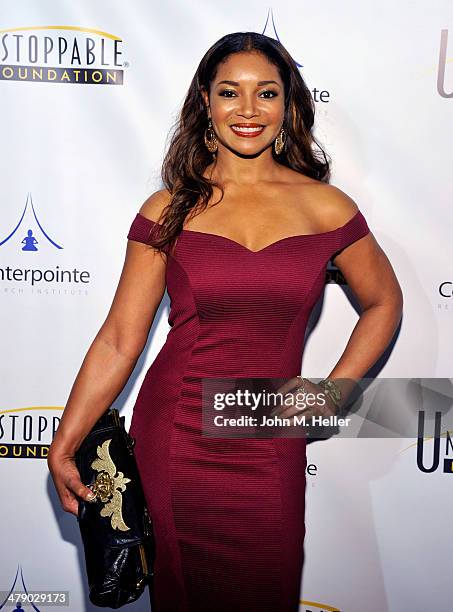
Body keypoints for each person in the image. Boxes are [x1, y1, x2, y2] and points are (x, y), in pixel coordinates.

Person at [48, 32, 403, 612]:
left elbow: (384, 302)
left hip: (269, 428)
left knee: (269, 585)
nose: (247, 109)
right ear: (205, 105)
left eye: (266, 93)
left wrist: (334, 392)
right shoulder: (170, 208)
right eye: (229, 92)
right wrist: (65, 438)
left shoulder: (326, 207)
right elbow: (119, 339)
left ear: (288, 107)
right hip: (179, 426)